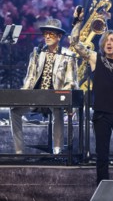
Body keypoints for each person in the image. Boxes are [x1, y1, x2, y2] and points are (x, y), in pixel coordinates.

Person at [70, 7, 113, 185]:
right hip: (101, 115)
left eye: (112, 40)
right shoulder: (95, 59)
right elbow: (75, 43)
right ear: (102, 44)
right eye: (106, 40)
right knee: (102, 156)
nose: (109, 43)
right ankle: (102, 192)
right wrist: (77, 23)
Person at [10, 19, 78, 155]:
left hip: (55, 96)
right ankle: (19, 151)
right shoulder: (37, 53)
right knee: (14, 111)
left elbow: (71, 81)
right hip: (36, 96)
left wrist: (62, 95)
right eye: (46, 34)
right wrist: (23, 95)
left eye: (51, 34)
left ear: (59, 37)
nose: (47, 37)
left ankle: (57, 151)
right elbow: (30, 77)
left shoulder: (67, 55)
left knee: (57, 109)